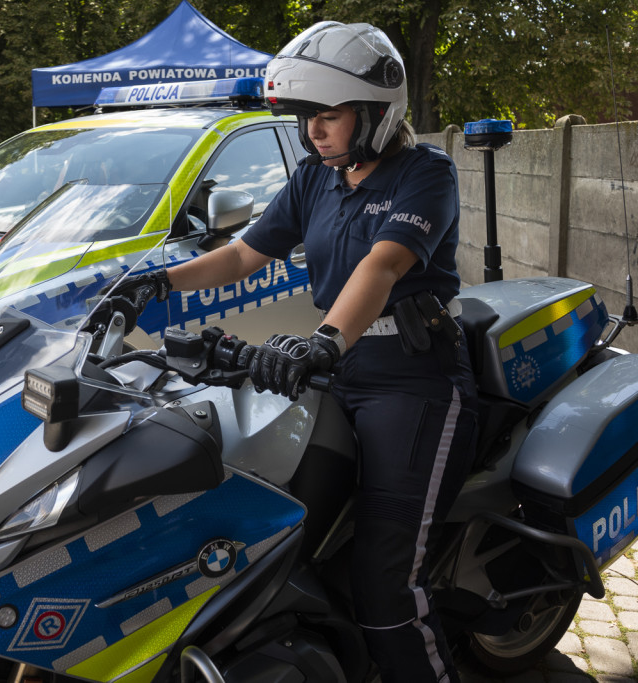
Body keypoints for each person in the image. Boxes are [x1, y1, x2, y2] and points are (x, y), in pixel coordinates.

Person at [116, 22, 477, 683]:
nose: (313, 130)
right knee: (287, 532)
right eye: (307, 116)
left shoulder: (427, 173)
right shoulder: (316, 179)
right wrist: (154, 282)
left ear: (374, 112)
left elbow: (383, 266)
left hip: (412, 381)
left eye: (329, 115)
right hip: (338, 372)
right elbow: (243, 254)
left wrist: (325, 340)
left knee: (386, 584)